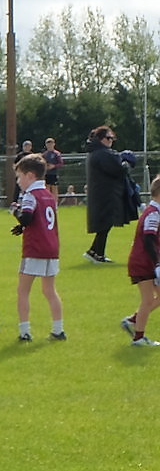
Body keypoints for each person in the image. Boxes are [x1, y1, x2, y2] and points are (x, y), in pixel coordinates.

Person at [11, 152, 66, 341]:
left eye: (19, 177)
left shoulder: (30, 195)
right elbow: (40, 220)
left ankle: (24, 331)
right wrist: (22, 227)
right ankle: (58, 329)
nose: (18, 181)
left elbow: (27, 217)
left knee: (23, 290)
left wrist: (15, 212)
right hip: (51, 247)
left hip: (35, 248)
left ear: (30, 176)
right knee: (49, 290)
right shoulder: (49, 196)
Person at [84, 125, 136, 262]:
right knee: (105, 223)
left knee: (105, 224)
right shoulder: (102, 153)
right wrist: (126, 163)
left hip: (103, 192)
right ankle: (97, 254)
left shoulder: (97, 152)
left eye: (112, 138)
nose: (111, 141)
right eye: (108, 138)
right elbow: (117, 170)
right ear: (101, 139)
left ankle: (94, 252)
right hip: (106, 193)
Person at [121, 175, 160, 346]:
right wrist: (157, 264)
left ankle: (133, 320)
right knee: (147, 299)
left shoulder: (154, 212)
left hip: (146, 261)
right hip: (143, 263)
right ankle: (138, 337)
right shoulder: (153, 213)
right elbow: (148, 239)